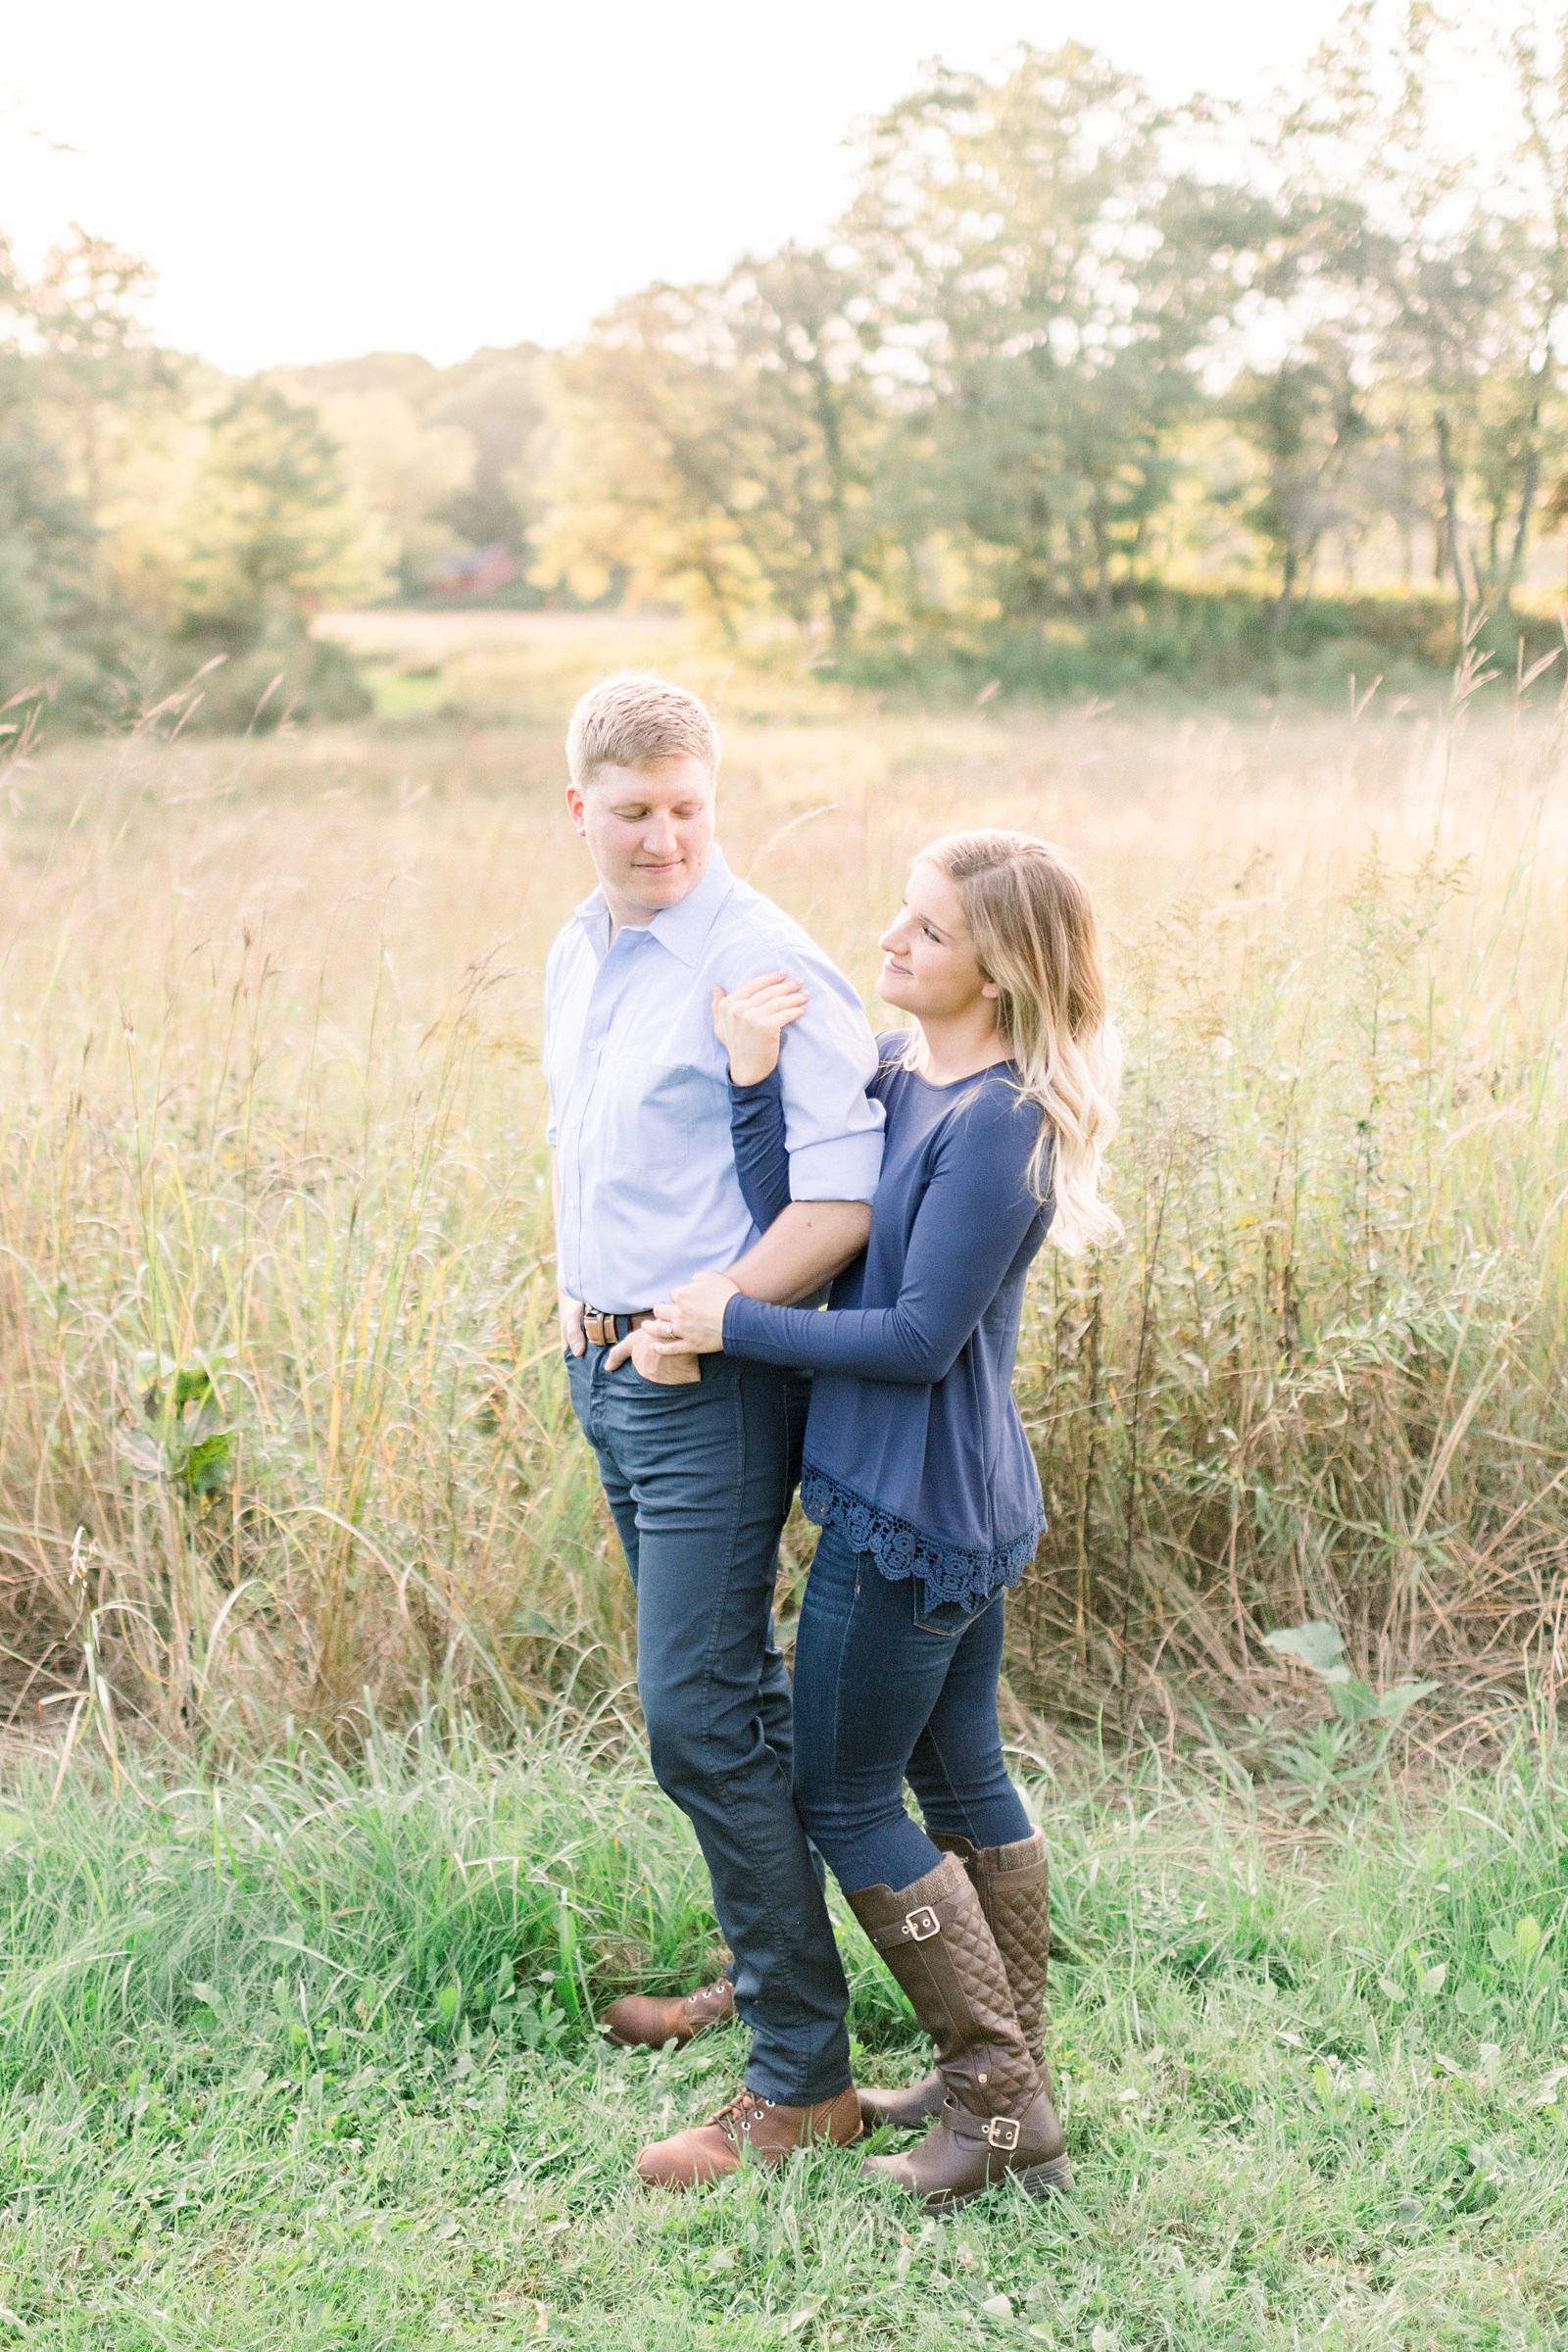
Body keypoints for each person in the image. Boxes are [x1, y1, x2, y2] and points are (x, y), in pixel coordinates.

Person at [650, 829, 1120, 2209]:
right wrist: (752, 1083)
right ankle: (1007, 2076)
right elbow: (819, 1220)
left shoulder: (1005, 1124)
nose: (894, 941)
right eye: (902, 915)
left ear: (1001, 967)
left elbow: (917, 1337)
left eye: (929, 931)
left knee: (847, 1794)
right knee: (960, 1776)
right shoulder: (912, 1077)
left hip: (912, 1504)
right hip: (941, 1493)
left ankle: (999, 2108)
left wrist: (733, 1320)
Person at [545, 671, 885, 2189]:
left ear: (713, 799)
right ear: (581, 810)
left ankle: (804, 2078)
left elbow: (843, 1197)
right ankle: (765, 1974)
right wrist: (587, 1306)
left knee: (697, 1718)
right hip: (605, 1369)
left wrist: (715, 1313)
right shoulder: (581, 944)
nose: (665, 838)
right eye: (633, 813)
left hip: (710, 1387)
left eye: (689, 808)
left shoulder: (762, 958)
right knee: (726, 1700)